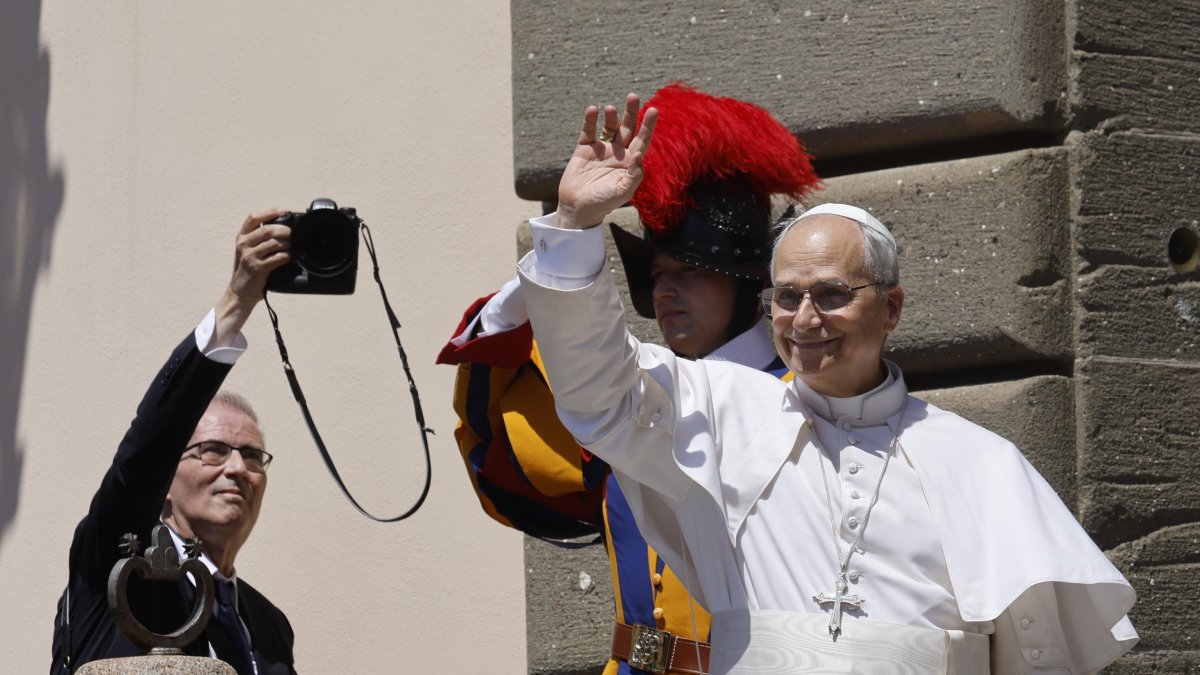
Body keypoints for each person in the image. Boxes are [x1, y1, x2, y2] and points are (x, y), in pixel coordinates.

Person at [513, 93, 1139, 674]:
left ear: (890, 309)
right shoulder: (717, 406)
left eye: (832, 294)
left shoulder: (981, 463)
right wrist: (573, 226)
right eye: (787, 297)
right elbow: (595, 382)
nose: (806, 319)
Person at [438, 84, 819, 674]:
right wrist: (564, 235)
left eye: (690, 270)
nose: (665, 289)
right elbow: (497, 458)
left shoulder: (810, 406)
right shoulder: (626, 399)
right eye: (657, 270)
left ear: (746, 279)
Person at [51, 211, 298, 675]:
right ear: (165, 480)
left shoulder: (269, 626)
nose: (237, 469)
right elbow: (148, 448)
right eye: (213, 450)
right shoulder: (122, 572)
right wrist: (235, 303)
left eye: (252, 456)